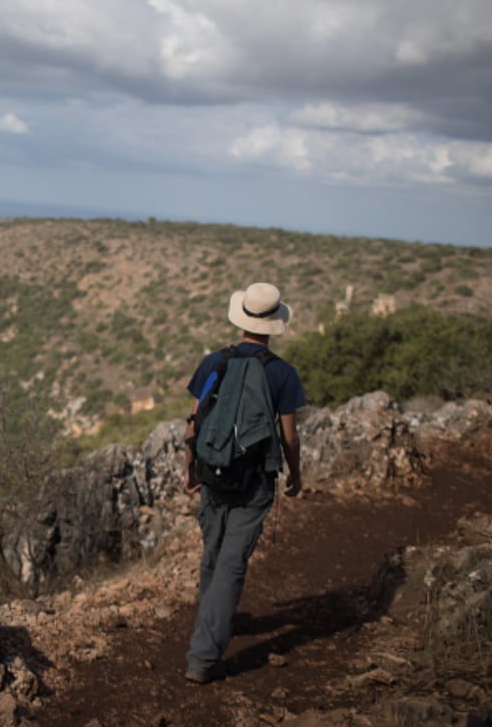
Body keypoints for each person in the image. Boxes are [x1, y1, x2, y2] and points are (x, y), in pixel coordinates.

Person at [182, 282, 305, 684]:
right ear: (273, 325)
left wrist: (192, 470)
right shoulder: (283, 374)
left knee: (213, 553)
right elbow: (289, 436)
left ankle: (210, 625)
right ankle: (203, 656)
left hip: (213, 472)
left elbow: (193, 423)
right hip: (254, 481)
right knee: (232, 563)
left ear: (242, 318)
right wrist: (296, 474)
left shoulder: (213, 363)